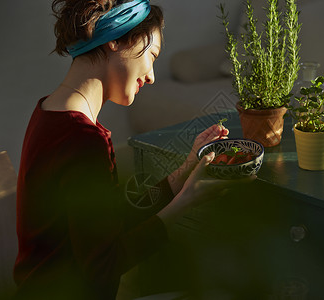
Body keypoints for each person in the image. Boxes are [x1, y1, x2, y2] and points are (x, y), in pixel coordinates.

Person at [13, 0, 255, 299]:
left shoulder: (48, 112)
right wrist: (188, 200)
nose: (152, 75)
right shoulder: (82, 138)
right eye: (152, 55)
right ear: (115, 40)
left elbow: (107, 223)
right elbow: (105, 264)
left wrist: (182, 174)